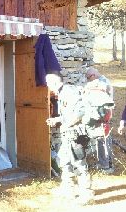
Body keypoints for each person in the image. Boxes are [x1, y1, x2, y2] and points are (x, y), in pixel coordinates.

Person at [46, 73, 94, 204]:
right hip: (68, 135)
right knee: (65, 162)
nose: (47, 86)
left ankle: (87, 194)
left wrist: (67, 124)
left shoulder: (69, 92)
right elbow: (68, 113)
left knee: (78, 163)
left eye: (48, 83)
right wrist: (57, 119)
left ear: (54, 83)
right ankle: (69, 190)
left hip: (75, 135)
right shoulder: (62, 93)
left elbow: (81, 111)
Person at [85, 67, 114, 173]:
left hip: (103, 116)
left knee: (104, 141)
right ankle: (104, 163)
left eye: (88, 78)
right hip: (102, 116)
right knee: (102, 141)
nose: (88, 80)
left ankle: (106, 166)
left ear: (93, 75)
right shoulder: (103, 81)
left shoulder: (101, 84)